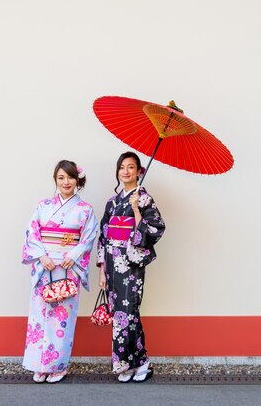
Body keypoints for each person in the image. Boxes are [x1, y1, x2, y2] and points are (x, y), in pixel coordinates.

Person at [21, 160, 98, 383]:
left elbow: (89, 237)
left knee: (62, 319)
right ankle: (39, 365)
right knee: (39, 316)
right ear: (55, 179)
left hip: (68, 267)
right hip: (44, 266)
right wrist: (42, 256)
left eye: (70, 177)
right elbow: (32, 232)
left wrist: (72, 256)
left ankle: (57, 366)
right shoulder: (43, 206)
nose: (66, 182)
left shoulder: (85, 210)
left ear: (77, 180)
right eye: (61, 177)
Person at [97, 151, 165, 383]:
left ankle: (141, 362)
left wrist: (136, 210)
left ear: (139, 171)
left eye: (131, 167)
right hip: (112, 264)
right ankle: (125, 364)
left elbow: (156, 229)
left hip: (130, 264)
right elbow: (103, 236)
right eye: (122, 168)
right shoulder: (112, 202)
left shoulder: (144, 199)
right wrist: (102, 270)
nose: (126, 171)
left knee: (130, 313)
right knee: (119, 315)